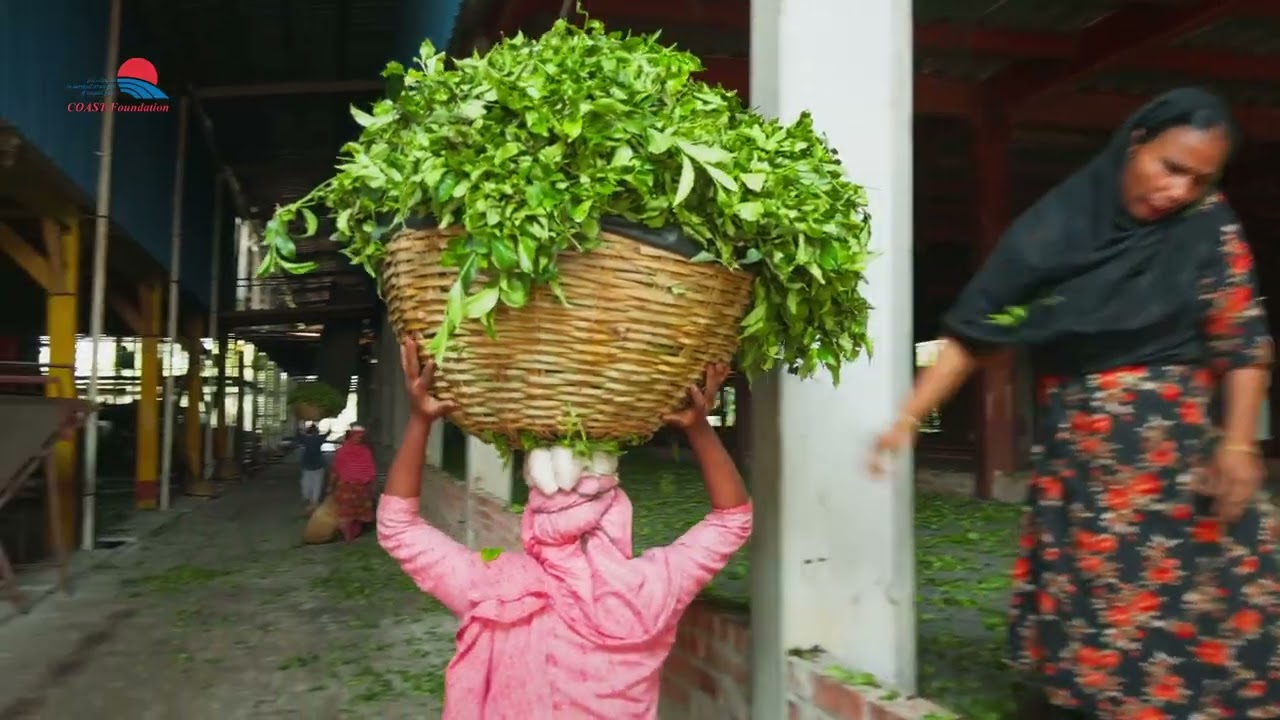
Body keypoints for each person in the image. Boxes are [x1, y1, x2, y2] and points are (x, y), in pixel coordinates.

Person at [872, 88, 1278, 720]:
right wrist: (905, 419)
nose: (1178, 190)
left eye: (1199, 179)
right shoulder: (1053, 228)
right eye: (1170, 167)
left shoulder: (1208, 224)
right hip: (1093, 472)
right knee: (1108, 621)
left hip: (1191, 462)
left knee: (1222, 618)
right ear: (1136, 142)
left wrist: (1238, 442)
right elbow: (973, 331)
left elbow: (1242, 337)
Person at [378, 338, 752, 718]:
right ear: (614, 510)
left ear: (537, 516)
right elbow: (733, 519)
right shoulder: (650, 591)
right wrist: (699, 428)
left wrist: (420, 420)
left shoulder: (492, 587)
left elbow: (397, 526)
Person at [331, 424, 377, 542]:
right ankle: (348, 536)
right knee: (348, 514)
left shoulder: (364, 451)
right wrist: (330, 485)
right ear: (351, 436)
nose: (359, 438)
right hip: (348, 486)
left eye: (360, 436)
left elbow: (370, 469)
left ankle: (351, 535)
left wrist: (371, 485)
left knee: (356, 515)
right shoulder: (343, 451)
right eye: (357, 436)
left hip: (360, 486)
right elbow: (336, 469)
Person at [296, 424, 329, 513]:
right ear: (316, 431)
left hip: (307, 465)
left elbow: (298, 435)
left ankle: (307, 499)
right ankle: (314, 502)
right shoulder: (319, 439)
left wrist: (299, 429)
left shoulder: (305, 439)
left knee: (306, 484)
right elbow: (326, 434)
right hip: (318, 465)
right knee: (317, 484)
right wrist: (329, 428)